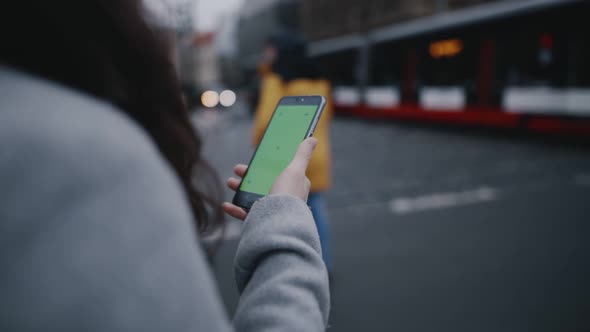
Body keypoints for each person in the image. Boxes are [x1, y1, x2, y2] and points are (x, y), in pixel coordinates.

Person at [0, 2, 329, 331]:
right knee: (298, 210)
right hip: (279, 165)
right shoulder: (92, 152)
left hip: (302, 164)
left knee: (310, 209)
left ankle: (317, 251)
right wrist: (283, 224)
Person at [252, 33, 334, 271]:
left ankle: (295, 266)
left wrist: (257, 144)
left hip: (286, 159)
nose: (266, 53)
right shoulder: (320, 80)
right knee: (316, 209)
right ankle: (323, 264)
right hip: (316, 154)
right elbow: (326, 117)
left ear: (280, 52)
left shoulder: (276, 79)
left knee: (286, 212)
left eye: (270, 49)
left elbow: (265, 122)